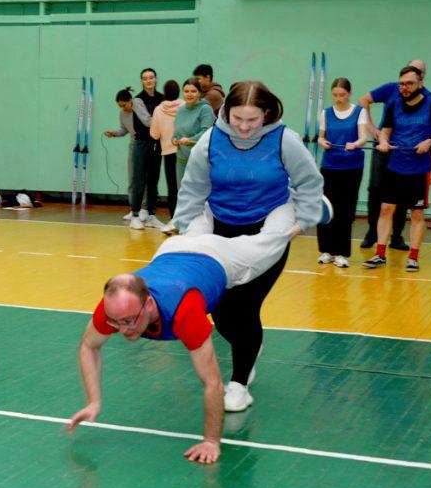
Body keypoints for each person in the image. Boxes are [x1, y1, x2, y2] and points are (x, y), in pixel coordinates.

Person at [69, 199, 311, 464]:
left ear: (149, 303)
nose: (122, 329)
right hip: (174, 248)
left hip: (219, 255)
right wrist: (94, 402)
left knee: (270, 242)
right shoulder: (115, 308)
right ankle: (209, 195)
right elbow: (88, 346)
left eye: (129, 321)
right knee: (201, 208)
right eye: (117, 322)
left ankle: (295, 206)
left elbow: (213, 383)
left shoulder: (185, 311)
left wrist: (210, 441)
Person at [173, 80, 326, 412]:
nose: (243, 127)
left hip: (266, 232)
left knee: (244, 306)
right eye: (237, 118)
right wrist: (185, 229)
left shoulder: (285, 140)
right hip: (222, 231)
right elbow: (193, 188)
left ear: (267, 114)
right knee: (220, 308)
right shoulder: (210, 141)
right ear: (227, 111)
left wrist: (305, 219)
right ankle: (250, 348)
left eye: (252, 120)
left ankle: (239, 383)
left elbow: (309, 181)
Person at [363, 66, 431, 272]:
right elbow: (385, 132)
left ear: (420, 84)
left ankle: (413, 258)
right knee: (385, 209)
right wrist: (383, 141)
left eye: (409, 83)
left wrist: (430, 141)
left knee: (417, 215)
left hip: (419, 170)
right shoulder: (394, 105)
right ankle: (380, 254)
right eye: (402, 83)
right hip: (394, 167)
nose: (405, 87)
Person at [358, 59, 428, 249]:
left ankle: (397, 236)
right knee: (375, 190)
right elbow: (363, 101)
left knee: (402, 196)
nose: (415, 73)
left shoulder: (428, 98)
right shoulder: (391, 89)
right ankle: (372, 233)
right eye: (412, 69)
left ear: (422, 77)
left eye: (419, 72)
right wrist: (372, 129)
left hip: (406, 154)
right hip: (383, 149)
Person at [316, 78, 367, 268]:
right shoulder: (326, 113)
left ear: (349, 94)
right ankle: (326, 250)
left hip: (352, 167)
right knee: (327, 208)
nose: (338, 99)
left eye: (342, 95)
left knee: (345, 209)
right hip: (329, 166)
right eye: (335, 95)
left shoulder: (359, 112)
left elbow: (363, 137)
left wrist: (355, 144)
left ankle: (341, 253)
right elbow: (320, 137)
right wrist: (323, 142)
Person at [171, 78, 214, 213]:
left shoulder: (205, 109)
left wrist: (189, 140)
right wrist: (174, 139)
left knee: (199, 195)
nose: (189, 94)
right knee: (182, 193)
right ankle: (183, 224)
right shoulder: (181, 109)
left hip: (198, 160)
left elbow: (206, 133)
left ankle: (201, 225)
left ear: (200, 93)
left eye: (193, 91)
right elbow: (177, 132)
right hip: (181, 159)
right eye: (186, 91)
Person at [130, 68, 164, 230]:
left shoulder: (162, 99)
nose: (149, 81)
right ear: (142, 81)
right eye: (145, 78)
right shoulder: (137, 100)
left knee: (153, 181)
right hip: (141, 143)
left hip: (157, 145)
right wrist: (162, 122)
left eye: (151, 77)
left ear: (156, 79)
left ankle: (151, 215)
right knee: (138, 180)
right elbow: (148, 121)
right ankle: (135, 215)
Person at [150, 80, 182, 229]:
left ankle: (174, 219)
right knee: (187, 186)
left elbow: (154, 134)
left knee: (172, 188)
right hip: (185, 151)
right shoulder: (184, 106)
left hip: (168, 151)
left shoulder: (158, 110)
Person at [105, 88, 139, 220]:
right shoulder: (122, 114)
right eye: (120, 106)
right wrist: (114, 133)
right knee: (131, 179)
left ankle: (144, 209)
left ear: (131, 101)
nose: (123, 108)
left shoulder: (140, 109)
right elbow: (124, 130)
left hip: (144, 146)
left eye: (124, 105)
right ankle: (133, 208)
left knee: (144, 180)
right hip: (133, 146)